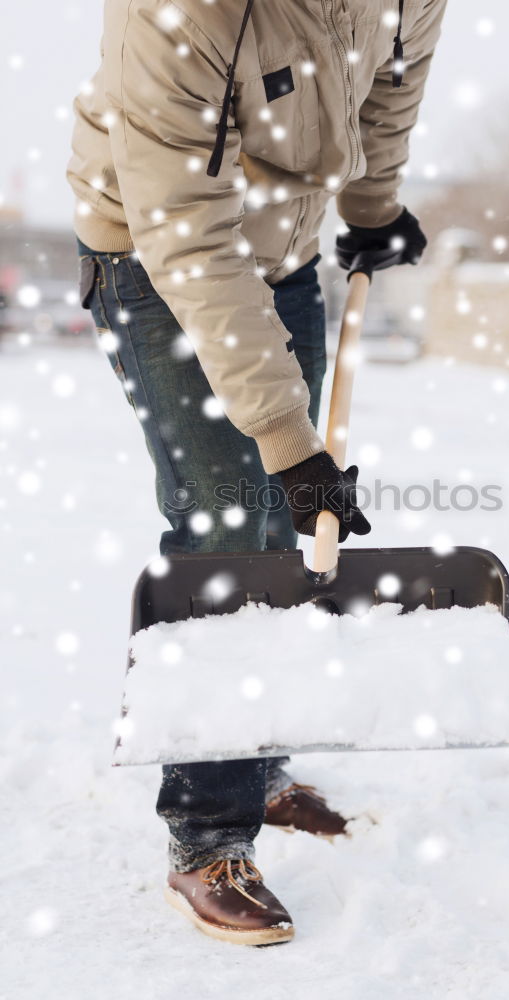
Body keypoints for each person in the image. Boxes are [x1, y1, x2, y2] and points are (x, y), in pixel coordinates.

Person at [66, 0, 446, 946]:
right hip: (158, 258)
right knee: (228, 532)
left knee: (285, 535)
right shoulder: (182, 11)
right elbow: (185, 234)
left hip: (281, 252)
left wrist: (372, 206)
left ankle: (255, 762)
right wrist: (288, 438)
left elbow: (386, 90)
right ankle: (206, 839)